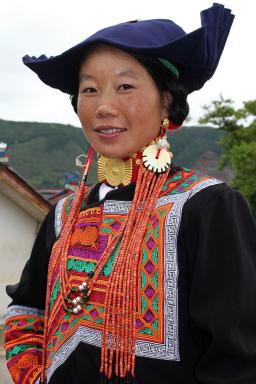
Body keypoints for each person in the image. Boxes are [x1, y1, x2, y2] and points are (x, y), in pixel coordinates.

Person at [4, 4, 256, 384]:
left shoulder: (206, 207)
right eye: (89, 89)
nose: (104, 106)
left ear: (166, 102)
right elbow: (26, 311)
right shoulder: (64, 214)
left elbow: (237, 360)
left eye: (125, 86)